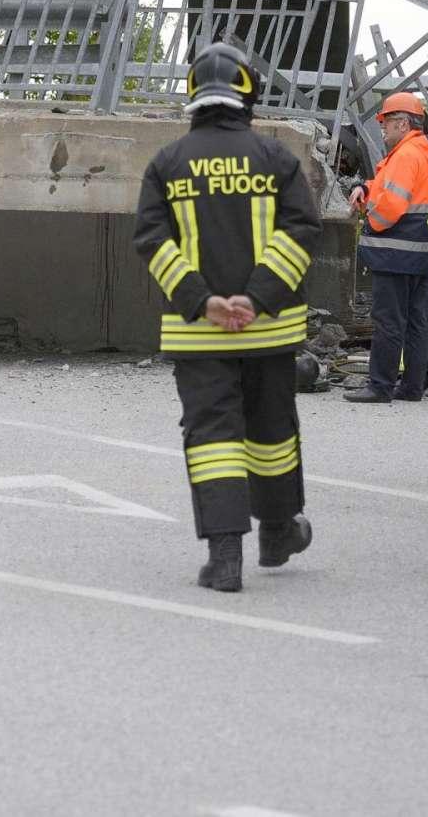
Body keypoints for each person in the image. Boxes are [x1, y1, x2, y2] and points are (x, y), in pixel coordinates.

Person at [134, 41, 323, 592]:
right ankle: (278, 532)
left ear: (194, 94)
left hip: (198, 334)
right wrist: (256, 299)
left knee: (213, 438)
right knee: (271, 433)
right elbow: (301, 231)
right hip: (268, 331)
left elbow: (152, 241)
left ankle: (224, 559)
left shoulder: (167, 164)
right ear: (248, 94)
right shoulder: (277, 158)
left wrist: (204, 302)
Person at [343, 92, 428, 403]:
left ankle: (380, 386)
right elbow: (397, 188)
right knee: (416, 321)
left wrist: (368, 215)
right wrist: (365, 187)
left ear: (403, 124)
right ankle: (412, 387)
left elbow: (389, 207)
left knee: (388, 322)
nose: (383, 129)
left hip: (396, 254)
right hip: (426, 255)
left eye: (386, 123)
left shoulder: (405, 156)